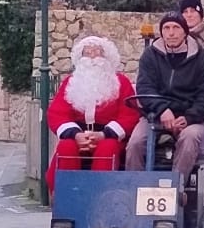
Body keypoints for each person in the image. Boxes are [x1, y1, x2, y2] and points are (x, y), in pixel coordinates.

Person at [125, 11, 204, 180]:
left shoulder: (203, 58)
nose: (171, 32)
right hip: (154, 116)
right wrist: (162, 111)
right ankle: (135, 188)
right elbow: (145, 88)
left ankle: (175, 188)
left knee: (189, 139)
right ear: (161, 32)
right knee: (135, 143)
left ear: (185, 32)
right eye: (166, 28)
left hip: (190, 118)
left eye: (176, 27)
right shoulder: (150, 55)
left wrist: (189, 117)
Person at [46, 35, 139, 194]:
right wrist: (76, 135)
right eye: (87, 53)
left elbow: (129, 114)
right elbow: (57, 113)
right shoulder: (70, 82)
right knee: (66, 147)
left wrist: (104, 134)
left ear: (106, 56)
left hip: (108, 136)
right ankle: (67, 194)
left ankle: (100, 194)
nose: (92, 57)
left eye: (97, 52)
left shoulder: (121, 83)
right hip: (77, 135)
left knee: (107, 149)